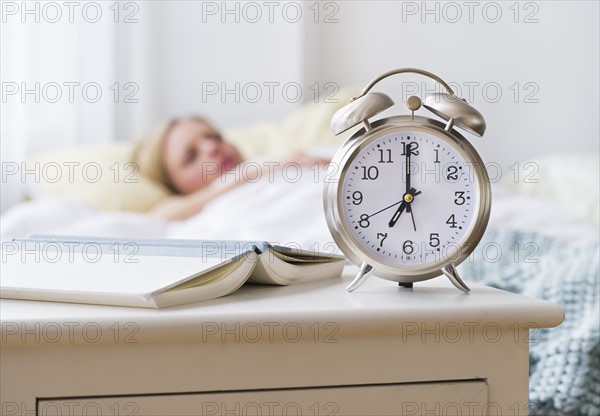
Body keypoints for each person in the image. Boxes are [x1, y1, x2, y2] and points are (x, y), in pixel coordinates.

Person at [133, 117, 330, 220]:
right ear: (175, 186)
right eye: (191, 156)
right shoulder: (184, 212)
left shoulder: (285, 158)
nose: (212, 147)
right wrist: (252, 174)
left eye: (213, 137)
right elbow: (160, 217)